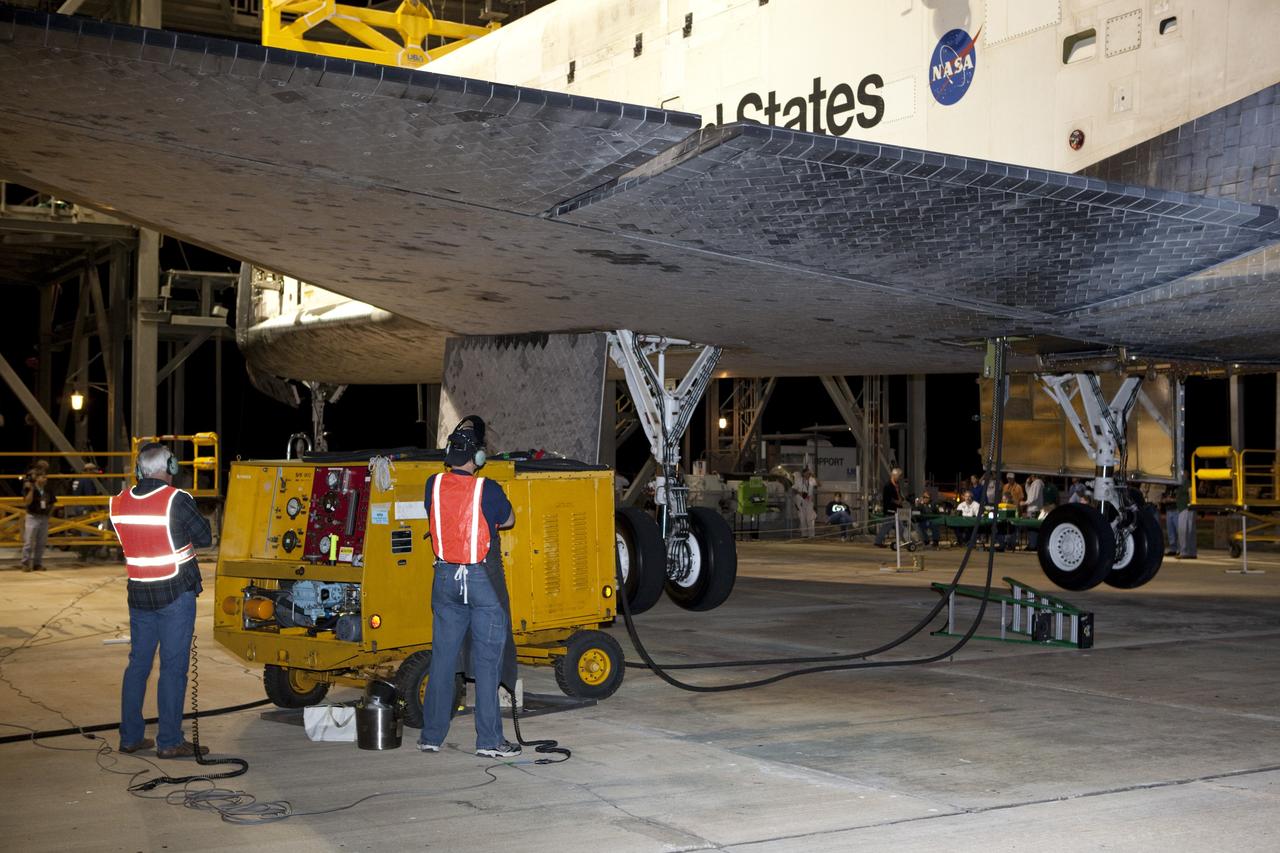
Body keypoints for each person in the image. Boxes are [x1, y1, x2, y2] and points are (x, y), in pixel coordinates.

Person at [419, 416, 521, 758]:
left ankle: (431, 736)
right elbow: (507, 520)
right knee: (488, 663)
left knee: (443, 659)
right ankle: (490, 740)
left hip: (445, 579)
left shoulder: (431, 484)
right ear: (478, 458)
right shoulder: (487, 488)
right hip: (479, 580)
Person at [110, 443, 212, 758]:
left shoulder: (119, 502)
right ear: (170, 465)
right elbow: (205, 538)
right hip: (174, 595)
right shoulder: (175, 500)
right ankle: (168, 742)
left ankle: (130, 737)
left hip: (139, 594)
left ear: (141, 469)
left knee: (137, 665)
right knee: (172, 668)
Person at [20, 466, 56, 571]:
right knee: (29, 541)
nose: (45, 479)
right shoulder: (29, 488)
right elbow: (27, 502)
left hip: (44, 517)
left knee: (41, 542)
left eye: (46, 477)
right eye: (43, 477)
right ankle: (25, 563)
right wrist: (31, 490)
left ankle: (37, 563)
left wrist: (49, 513)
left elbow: (53, 502)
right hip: (32, 516)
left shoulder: (48, 489)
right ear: (37, 478)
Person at [874, 468, 904, 547]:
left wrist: (901, 500)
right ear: (894, 475)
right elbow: (887, 498)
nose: (899, 478)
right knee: (899, 528)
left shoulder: (896, 485)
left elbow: (898, 496)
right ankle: (896, 543)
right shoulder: (888, 486)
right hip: (890, 510)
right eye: (898, 476)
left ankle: (878, 541)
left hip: (895, 509)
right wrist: (896, 501)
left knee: (886, 527)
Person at [1173, 478, 1197, 559]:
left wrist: (1190, 503)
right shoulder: (1181, 483)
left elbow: (1190, 491)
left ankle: (1184, 552)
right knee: (1189, 531)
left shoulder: (1185, 481)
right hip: (1184, 508)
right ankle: (1191, 552)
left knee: (1184, 531)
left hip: (1185, 508)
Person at [792, 467, 818, 538]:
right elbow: (793, 489)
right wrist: (800, 493)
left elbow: (819, 484)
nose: (808, 474)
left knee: (810, 518)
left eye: (809, 473)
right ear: (803, 473)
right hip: (801, 501)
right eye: (807, 473)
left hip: (809, 501)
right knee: (802, 518)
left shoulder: (812, 480)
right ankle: (804, 535)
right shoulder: (799, 480)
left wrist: (814, 475)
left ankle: (811, 535)